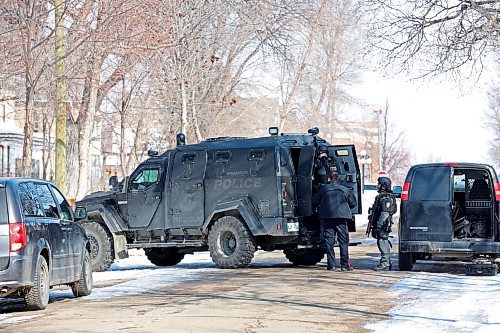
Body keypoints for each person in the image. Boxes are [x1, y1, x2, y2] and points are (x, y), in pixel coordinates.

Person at [312, 170, 357, 271]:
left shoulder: (323, 189)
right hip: (341, 218)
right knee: (343, 241)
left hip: (327, 217)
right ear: (337, 178)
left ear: (329, 178)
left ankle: (331, 265)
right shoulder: (345, 189)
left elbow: (314, 201)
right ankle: (345, 266)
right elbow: (353, 203)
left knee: (329, 241)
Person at [369, 176, 397, 271]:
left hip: (383, 224)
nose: (377, 186)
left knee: (382, 241)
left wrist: (379, 225)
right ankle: (386, 262)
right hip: (382, 223)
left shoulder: (386, 198)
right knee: (381, 241)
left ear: (384, 186)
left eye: (379, 184)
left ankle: (385, 263)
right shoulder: (382, 197)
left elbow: (385, 213)